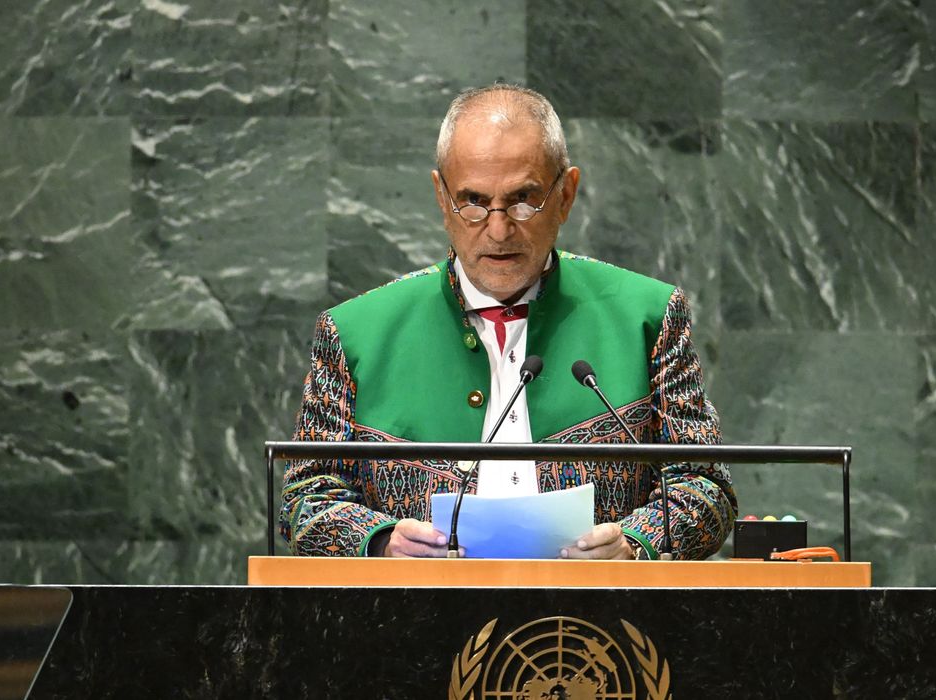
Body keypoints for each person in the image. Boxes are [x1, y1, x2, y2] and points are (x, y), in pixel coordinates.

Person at [282, 84, 734, 560]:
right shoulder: (354, 333)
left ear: (566, 196)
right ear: (441, 197)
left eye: (523, 199)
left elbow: (705, 485)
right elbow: (306, 497)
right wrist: (380, 542)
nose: (498, 230)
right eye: (473, 201)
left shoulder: (648, 316)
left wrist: (635, 544)